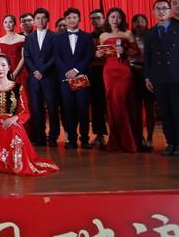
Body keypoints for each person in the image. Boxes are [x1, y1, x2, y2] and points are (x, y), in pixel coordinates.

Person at [0, 54, 58, 176]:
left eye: (3, 65)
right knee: (1, 131)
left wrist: (15, 118)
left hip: (14, 122)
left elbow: (25, 111)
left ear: (9, 67)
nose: (0, 68)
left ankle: (15, 162)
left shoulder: (17, 87)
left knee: (13, 130)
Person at [144, 0, 179, 157]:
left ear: (169, 11)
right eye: (158, 9)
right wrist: (147, 78)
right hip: (158, 77)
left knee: (178, 111)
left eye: (164, 8)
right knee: (164, 112)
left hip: (177, 76)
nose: (161, 11)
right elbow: (147, 57)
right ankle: (170, 142)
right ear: (153, 12)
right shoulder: (150, 33)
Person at [95, 8, 139, 153]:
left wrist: (125, 51)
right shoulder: (103, 35)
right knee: (112, 103)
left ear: (122, 19)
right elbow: (102, 56)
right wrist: (99, 54)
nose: (115, 20)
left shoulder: (128, 33)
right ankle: (116, 140)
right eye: (112, 17)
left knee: (124, 102)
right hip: (109, 71)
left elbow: (136, 52)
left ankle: (130, 141)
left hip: (124, 71)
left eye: (118, 17)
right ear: (107, 19)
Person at [55, 8, 96, 149]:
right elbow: (56, 57)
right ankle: (71, 139)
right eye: (69, 18)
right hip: (66, 79)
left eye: (74, 17)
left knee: (83, 109)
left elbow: (90, 55)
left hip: (82, 77)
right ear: (65, 20)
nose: (71, 20)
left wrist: (76, 70)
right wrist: (67, 71)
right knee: (68, 109)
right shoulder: (58, 38)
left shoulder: (87, 37)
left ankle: (84, 139)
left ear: (79, 19)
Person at [23, 7, 60, 147]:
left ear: (48, 20)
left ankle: (53, 136)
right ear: (34, 21)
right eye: (38, 18)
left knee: (52, 108)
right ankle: (40, 137)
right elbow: (27, 56)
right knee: (36, 108)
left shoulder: (54, 36)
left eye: (43, 18)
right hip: (34, 79)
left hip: (49, 77)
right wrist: (35, 71)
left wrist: (42, 71)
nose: (40, 20)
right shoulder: (29, 37)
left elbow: (55, 56)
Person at [130, 13, 155, 150]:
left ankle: (150, 137)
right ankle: (139, 137)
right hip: (133, 72)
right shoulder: (129, 37)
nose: (139, 24)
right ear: (132, 24)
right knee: (136, 108)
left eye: (142, 21)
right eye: (136, 21)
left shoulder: (151, 36)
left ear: (146, 23)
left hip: (148, 73)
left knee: (150, 107)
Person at [88, 9, 108, 147]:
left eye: (98, 18)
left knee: (113, 104)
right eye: (92, 18)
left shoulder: (110, 34)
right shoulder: (88, 37)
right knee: (97, 105)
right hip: (95, 72)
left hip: (111, 71)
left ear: (104, 19)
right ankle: (99, 134)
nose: (95, 20)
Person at [0, 14, 27, 88]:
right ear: (3, 24)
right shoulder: (0, 40)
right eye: (5, 22)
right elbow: (0, 58)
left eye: (10, 22)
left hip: (19, 71)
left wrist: (15, 73)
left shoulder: (22, 38)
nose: (8, 24)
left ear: (15, 24)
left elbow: (23, 57)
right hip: (5, 72)